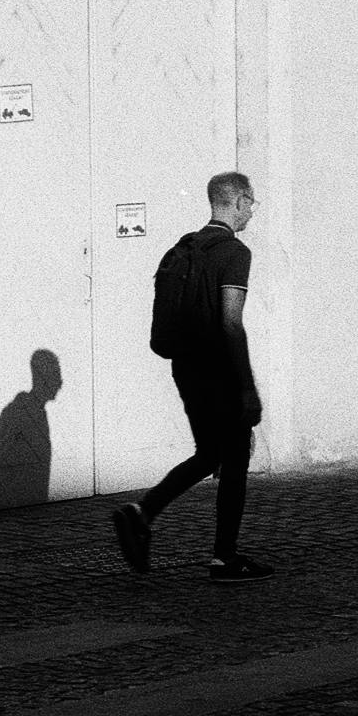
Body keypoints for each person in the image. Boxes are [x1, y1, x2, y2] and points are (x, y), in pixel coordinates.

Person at [113, 173, 271, 581]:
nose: (252, 211)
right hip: (219, 370)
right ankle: (225, 557)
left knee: (208, 453)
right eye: (251, 203)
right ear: (237, 201)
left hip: (186, 368)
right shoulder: (234, 252)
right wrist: (247, 387)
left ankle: (142, 512)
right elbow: (231, 323)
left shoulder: (183, 248)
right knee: (234, 458)